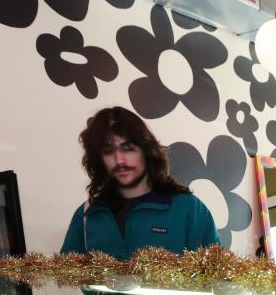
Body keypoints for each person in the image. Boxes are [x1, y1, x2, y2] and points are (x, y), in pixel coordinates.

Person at [61, 106, 220, 260]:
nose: (119, 160)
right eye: (108, 151)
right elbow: (64, 277)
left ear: (146, 151)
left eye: (128, 148)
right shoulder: (87, 215)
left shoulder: (189, 209)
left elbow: (220, 277)